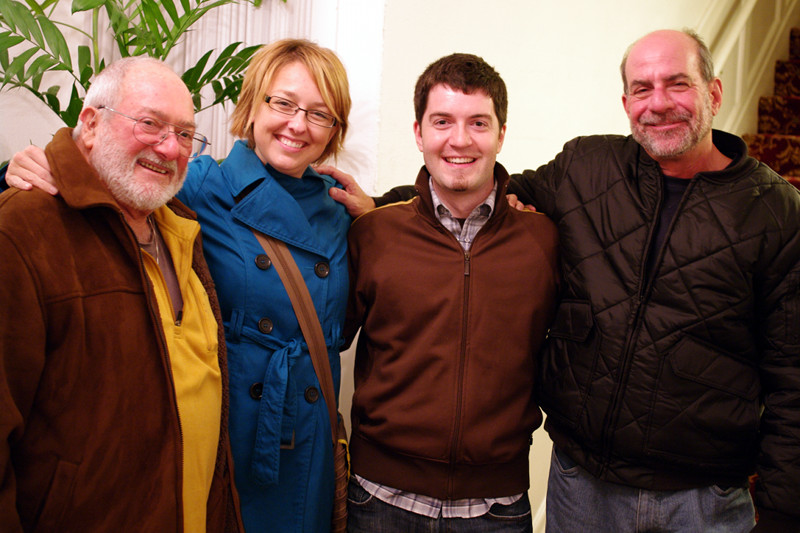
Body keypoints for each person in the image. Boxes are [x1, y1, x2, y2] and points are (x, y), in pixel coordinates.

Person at [328, 29, 800, 532]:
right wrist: (383, 209)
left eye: (677, 84)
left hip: (702, 498)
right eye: (643, 88)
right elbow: (479, 190)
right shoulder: (588, 168)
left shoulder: (775, 213)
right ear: (625, 101)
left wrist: (780, 509)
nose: (658, 103)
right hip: (584, 487)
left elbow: (792, 376)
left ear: (714, 92)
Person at [3, 39, 352, 533]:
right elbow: (107, 174)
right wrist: (22, 168)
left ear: (335, 129)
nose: (298, 124)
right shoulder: (199, 182)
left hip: (308, 435)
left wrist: (376, 214)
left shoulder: (341, 211)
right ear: (252, 103)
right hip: (239, 433)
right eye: (283, 103)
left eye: (320, 114)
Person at [0, 57, 242, 532]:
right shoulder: (23, 230)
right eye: (150, 124)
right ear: (90, 124)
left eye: (186, 134)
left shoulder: (181, 229)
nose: (170, 147)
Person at [335, 53, 559, 533]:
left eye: (478, 122)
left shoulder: (544, 241)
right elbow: (322, 340)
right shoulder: (373, 234)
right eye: (442, 122)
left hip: (497, 508)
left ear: (501, 133)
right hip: (379, 501)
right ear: (418, 133)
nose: (460, 140)